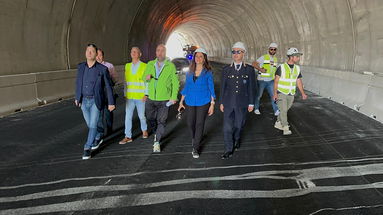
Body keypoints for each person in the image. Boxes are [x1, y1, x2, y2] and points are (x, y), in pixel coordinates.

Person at [75, 44, 115, 160]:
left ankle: (87, 148)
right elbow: (78, 83)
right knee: (89, 124)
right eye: (88, 50)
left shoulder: (102, 69)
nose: (90, 53)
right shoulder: (81, 67)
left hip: (95, 101)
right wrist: (77, 97)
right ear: (85, 53)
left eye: (92, 51)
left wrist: (111, 103)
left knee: (93, 124)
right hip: (84, 101)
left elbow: (108, 87)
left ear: (96, 54)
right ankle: (98, 135)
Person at [220, 42, 256, 159]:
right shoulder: (226, 69)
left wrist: (251, 103)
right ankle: (228, 149)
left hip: (242, 103)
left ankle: (237, 138)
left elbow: (252, 87)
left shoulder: (249, 70)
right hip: (228, 103)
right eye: (233, 52)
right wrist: (221, 102)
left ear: (243, 53)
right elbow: (223, 87)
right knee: (227, 127)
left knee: (239, 126)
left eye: (238, 52)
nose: (235, 54)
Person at [178, 48, 216, 159]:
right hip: (190, 101)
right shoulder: (189, 71)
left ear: (204, 59)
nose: (198, 58)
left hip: (203, 101)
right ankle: (195, 138)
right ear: (194, 58)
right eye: (196, 56)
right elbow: (186, 87)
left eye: (201, 56)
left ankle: (195, 147)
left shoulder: (208, 72)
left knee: (199, 123)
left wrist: (212, 104)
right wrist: (181, 102)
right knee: (190, 123)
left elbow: (211, 88)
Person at [143, 44, 180, 153]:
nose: (160, 52)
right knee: (149, 117)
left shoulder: (170, 66)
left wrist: (173, 97)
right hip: (151, 98)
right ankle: (155, 130)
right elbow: (143, 78)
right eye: (158, 50)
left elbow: (175, 82)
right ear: (156, 52)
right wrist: (147, 77)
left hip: (164, 99)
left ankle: (157, 142)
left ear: (165, 52)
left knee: (162, 121)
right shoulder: (150, 64)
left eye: (162, 51)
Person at [272, 47, 308, 135]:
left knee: (285, 110)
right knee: (283, 110)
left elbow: (298, 81)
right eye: (297, 56)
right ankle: (285, 127)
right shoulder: (281, 67)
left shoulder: (297, 68)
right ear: (291, 57)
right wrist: (275, 93)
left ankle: (278, 122)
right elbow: (276, 81)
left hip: (291, 93)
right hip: (281, 92)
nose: (298, 58)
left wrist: (303, 93)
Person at [119, 47, 148, 144]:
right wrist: (125, 93)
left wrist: (146, 94)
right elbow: (125, 81)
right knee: (128, 117)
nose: (133, 53)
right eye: (132, 51)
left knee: (141, 116)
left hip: (140, 96)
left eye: (135, 52)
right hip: (130, 97)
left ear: (140, 54)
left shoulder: (144, 66)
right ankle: (128, 136)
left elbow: (147, 81)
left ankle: (144, 130)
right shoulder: (127, 66)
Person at [95, 49, 118, 141]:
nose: (98, 57)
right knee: (99, 114)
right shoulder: (93, 66)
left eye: (100, 55)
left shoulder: (109, 66)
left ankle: (109, 129)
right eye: (97, 55)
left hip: (108, 94)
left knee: (109, 113)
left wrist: (109, 83)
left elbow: (115, 78)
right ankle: (100, 132)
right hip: (98, 95)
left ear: (103, 56)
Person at [252, 42, 280, 116]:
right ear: (269, 49)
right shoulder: (263, 57)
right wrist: (260, 69)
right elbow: (254, 63)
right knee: (259, 95)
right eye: (271, 49)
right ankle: (256, 108)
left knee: (273, 95)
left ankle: (276, 110)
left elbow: (274, 69)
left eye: (274, 49)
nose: (273, 51)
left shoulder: (275, 59)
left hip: (271, 80)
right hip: (262, 80)